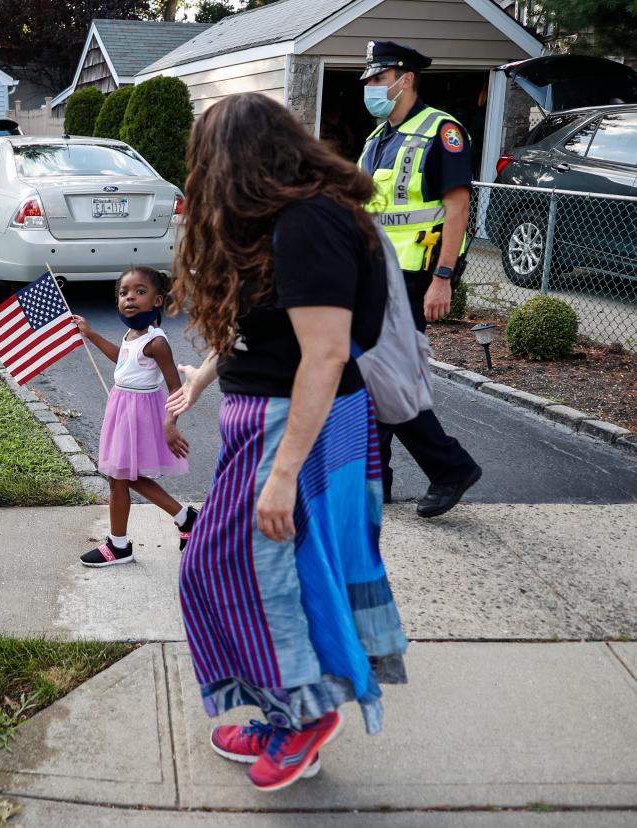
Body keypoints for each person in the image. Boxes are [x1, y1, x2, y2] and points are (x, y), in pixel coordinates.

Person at [168, 93, 408, 792]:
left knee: (237, 576)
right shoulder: (283, 220)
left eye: (206, 157)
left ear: (236, 161)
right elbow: (262, 326)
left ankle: (302, 718)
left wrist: (281, 475)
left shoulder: (310, 224)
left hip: (293, 428)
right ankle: (286, 711)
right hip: (270, 417)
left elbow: (327, 353)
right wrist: (205, 380)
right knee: (273, 579)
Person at [358, 40, 483, 517]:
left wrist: (443, 278)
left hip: (414, 278)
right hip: (374, 277)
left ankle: (450, 467)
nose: (370, 87)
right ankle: (377, 479)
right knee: (374, 377)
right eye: (369, 80)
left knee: (387, 380)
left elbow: (457, 208)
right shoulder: (377, 138)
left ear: (404, 78)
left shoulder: (441, 131)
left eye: (378, 78)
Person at [72, 266, 197, 568]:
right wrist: (90, 334)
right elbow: (124, 359)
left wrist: (170, 424)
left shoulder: (157, 342)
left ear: (157, 301)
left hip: (139, 413)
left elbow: (175, 388)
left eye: (139, 292)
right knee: (120, 476)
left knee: (120, 476)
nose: (129, 298)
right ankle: (185, 519)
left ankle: (120, 545)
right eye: (123, 293)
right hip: (122, 408)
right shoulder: (132, 334)